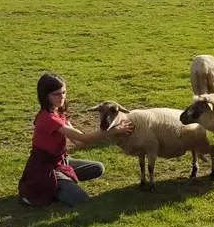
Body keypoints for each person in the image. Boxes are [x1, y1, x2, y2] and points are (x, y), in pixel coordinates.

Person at [18, 72, 133, 207]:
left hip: (61, 161)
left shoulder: (58, 111)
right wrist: (114, 131)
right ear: (45, 96)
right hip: (44, 168)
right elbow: (83, 138)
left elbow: (79, 143)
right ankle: (44, 187)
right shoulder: (48, 119)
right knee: (81, 199)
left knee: (98, 168)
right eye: (56, 94)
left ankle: (62, 182)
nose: (61, 97)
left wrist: (107, 131)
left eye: (64, 92)